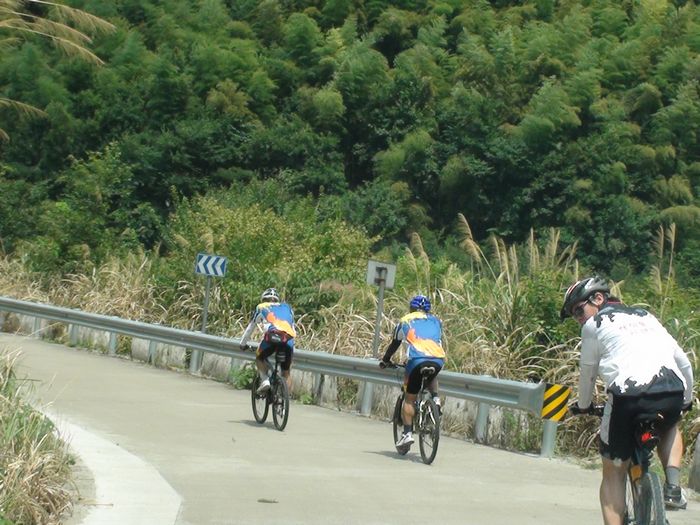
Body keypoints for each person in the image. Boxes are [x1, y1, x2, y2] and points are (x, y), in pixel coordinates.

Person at [561, 276, 694, 525]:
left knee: (613, 471)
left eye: (578, 310)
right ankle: (673, 487)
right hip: (672, 389)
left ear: (598, 298)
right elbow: (684, 362)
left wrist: (584, 406)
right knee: (669, 425)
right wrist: (686, 400)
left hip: (629, 396)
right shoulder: (647, 316)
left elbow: (588, 373)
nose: (578, 318)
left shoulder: (594, 325)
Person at [379, 294, 446, 448]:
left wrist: (386, 360)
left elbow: (395, 344)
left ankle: (407, 434)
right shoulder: (436, 321)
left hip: (416, 360)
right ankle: (435, 399)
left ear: (411, 308)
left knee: (409, 398)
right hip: (438, 359)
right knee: (432, 372)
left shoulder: (405, 321)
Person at [240, 288, 297, 394]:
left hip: (272, 338)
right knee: (286, 372)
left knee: (259, 357)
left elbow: (250, 328)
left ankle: (265, 381)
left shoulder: (261, 307)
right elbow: (293, 329)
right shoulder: (287, 307)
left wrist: (242, 344)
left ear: (263, 299)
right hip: (288, 340)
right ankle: (285, 398)